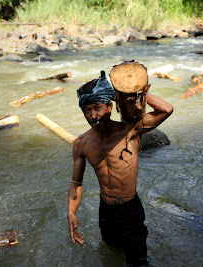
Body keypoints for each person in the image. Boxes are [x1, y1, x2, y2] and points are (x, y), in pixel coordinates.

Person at [68, 69, 173, 266]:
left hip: (129, 209)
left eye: (97, 108)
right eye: (87, 111)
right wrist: (71, 212)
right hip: (105, 210)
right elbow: (76, 182)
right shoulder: (82, 143)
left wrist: (131, 93)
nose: (93, 115)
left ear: (110, 106)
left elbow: (166, 109)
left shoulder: (131, 131)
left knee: (137, 262)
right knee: (111, 251)